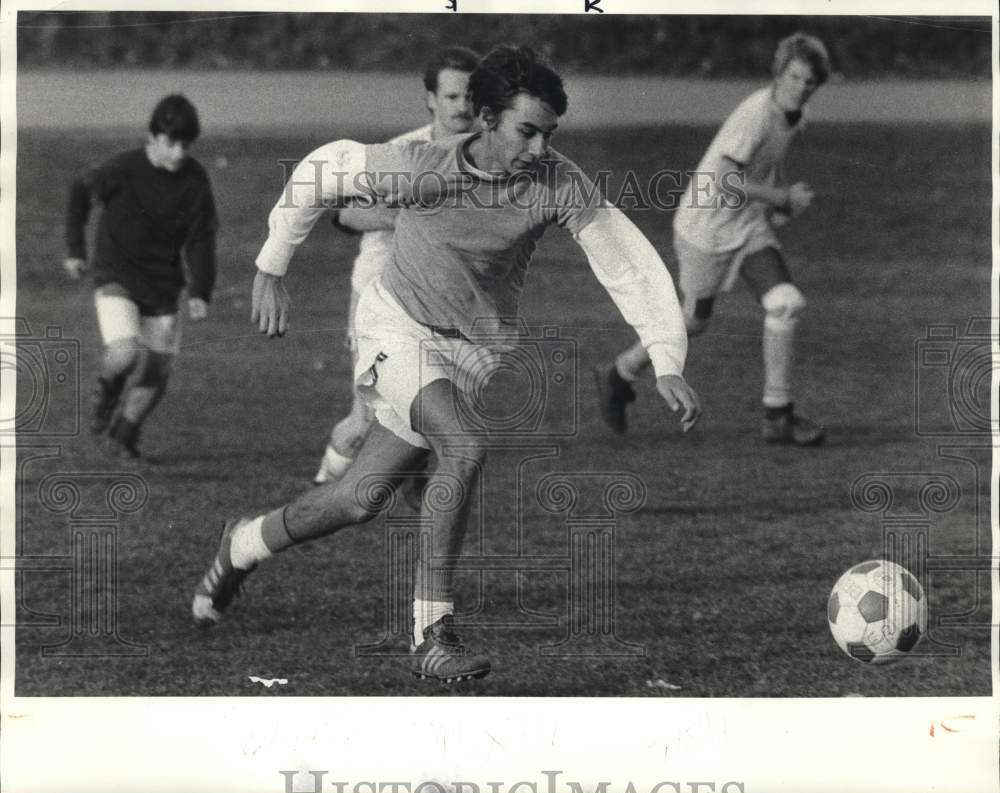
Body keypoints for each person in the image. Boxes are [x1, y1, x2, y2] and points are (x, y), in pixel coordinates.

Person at [192, 45, 701, 683]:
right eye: (527, 131)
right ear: (485, 119)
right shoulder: (421, 167)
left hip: (469, 354)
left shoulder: (557, 181)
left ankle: (241, 544)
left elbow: (625, 261)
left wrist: (666, 357)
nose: (540, 148)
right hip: (394, 327)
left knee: (359, 499)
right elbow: (324, 169)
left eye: (549, 133)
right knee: (464, 447)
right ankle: (432, 633)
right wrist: (271, 264)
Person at [595, 33, 830, 445]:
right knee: (692, 323)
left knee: (785, 303)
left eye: (809, 82)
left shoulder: (797, 116)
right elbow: (724, 179)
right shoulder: (756, 113)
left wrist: (776, 206)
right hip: (705, 228)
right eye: (794, 78)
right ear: (778, 74)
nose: (801, 88)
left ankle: (777, 415)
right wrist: (780, 197)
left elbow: (764, 164)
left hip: (747, 225)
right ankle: (619, 374)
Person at [314, 45, 481, 486]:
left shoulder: (486, 158)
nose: (463, 106)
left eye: (470, 96)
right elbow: (344, 212)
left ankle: (413, 518)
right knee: (364, 421)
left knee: (429, 434)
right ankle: (320, 495)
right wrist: (410, 215)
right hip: (381, 300)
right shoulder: (401, 152)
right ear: (430, 99)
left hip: (444, 307)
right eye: (452, 97)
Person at [64, 93, 218, 458]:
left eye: (186, 144)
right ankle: (108, 392)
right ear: (153, 136)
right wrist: (75, 250)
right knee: (124, 352)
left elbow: (201, 237)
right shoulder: (121, 170)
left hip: (163, 286)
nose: (179, 152)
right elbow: (79, 193)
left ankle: (124, 434)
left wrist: (200, 290)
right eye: (171, 142)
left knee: (157, 372)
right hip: (116, 274)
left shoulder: (195, 181)